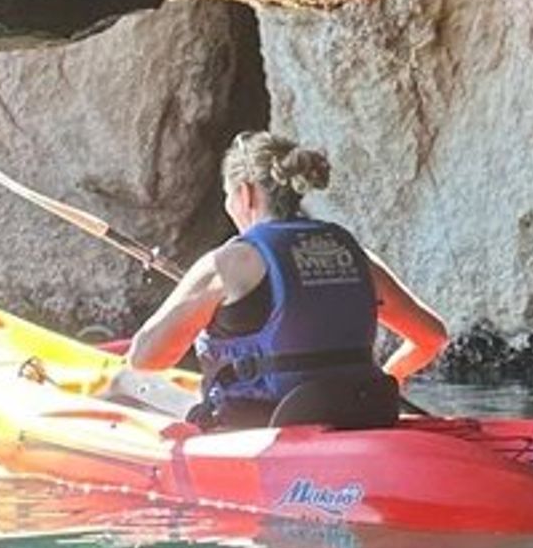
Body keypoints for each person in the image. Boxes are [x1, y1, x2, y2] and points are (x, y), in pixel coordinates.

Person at [127, 130, 448, 430]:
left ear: (246, 194)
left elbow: (145, 358)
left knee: (125, 384)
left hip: (261, 429)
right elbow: (432, 337)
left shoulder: (229, 262)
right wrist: (391, 375)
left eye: (228, 196)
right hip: (362, 413)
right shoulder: (356, 256)